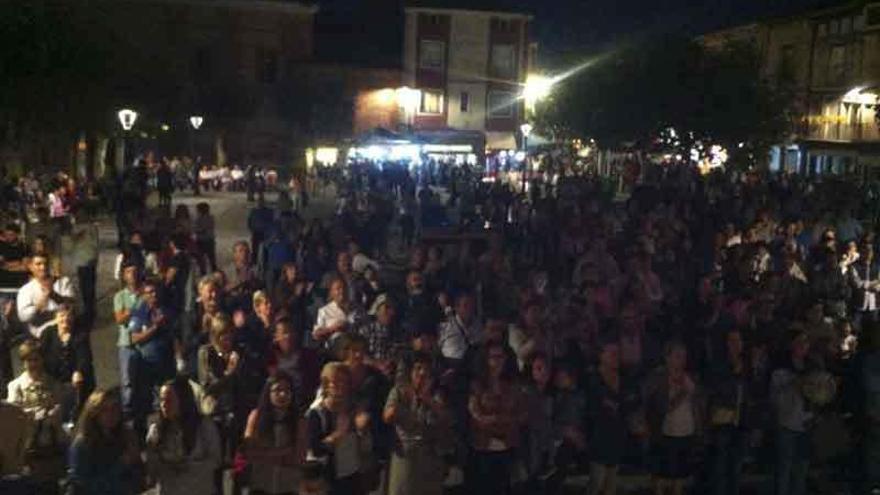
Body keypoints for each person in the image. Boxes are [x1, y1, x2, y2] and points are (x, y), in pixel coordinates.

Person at [384, 352, 451, 495]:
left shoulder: (437, 394)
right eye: (418, 368)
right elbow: (387, 416)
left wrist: (427, 399)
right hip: (405, 458)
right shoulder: (399, 392)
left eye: (426, 370)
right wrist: (401, 407)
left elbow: (445, 419)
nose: (422, 373)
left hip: (430, 459)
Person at [6, 339, 67, 491]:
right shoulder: (16, 386)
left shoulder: (52, 383)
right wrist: (33, 414)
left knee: (51, 485)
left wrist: (56, 412)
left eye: (36, 359)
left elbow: (61, 407)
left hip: (50, 443)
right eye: (29, 360)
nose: (33, 364)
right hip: (28, 447)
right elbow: (13, 416)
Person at [145, 376, 222, 495]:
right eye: (162, 400)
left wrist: (190, 467)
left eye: (169, 400)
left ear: (183, 400)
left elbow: (215, 459)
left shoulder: (203, 426)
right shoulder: (156, 431)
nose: (164, 405)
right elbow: (152, 468)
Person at [466, 340, 525, 495]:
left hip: (506, 448)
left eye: (501, 357)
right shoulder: (476, 385)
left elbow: (519, 415)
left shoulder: (513, 385)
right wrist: (499, 420)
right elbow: (477, 417)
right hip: (482, 448)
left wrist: (497, 419)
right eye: (493, 357)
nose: (497, 361)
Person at [644, 342, 701, 495]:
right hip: (664, 435)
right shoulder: (657, 379)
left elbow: (697, 408)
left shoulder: (691, 378)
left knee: (679, 478)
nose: (681, 360)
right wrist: (683, 393)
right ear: (667, 358)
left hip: (686, 434)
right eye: (677, 356)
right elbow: (661, 408)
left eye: (684, 356)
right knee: (661, 477)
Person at [306, 362, 370, 495]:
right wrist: (338, 434)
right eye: (335, 381)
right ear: (325, 384)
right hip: (326, 479)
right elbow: (315, 449)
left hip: (352, 476)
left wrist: (362, 431)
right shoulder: (317, 412)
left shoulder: (355, 409)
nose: (340, 385)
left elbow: (366, 447)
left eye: (344, 381)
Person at [67, 388, 141, 495]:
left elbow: (137, 476)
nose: (111, 414)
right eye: (105, 409)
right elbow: (84, 484)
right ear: (94, 413)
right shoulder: (83, 444)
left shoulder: (125, 437)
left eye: (114, 408)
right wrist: (121, 465)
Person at [243, 372, 306, 495]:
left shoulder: (300, 421)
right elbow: (249, 452)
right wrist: (282, 452)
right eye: (277, 390)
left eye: (287, 390)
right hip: (260, 485)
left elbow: (298, 458)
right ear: (268, 393)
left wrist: (264, 453)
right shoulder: (256, 416)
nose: (283, 394)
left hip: (288, 487)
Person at [128, 280, 176, 434]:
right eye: (149, 292)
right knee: (144, 402)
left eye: (155, 291)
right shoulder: (139, 311)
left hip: (166, 362)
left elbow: (175, 336)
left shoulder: (166, 311)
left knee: (166, 400)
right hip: (146, 364)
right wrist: (155, 328)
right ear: (143, 294)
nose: (153, 295)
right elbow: (134, 338)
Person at [771, 331, 816, 495]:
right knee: (784, 469)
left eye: (806, 342)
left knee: (801, 469)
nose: (803, 346)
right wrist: (794, 381)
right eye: (799, 342)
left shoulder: (812, 367)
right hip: (787, 423)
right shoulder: (781, 368)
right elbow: (775, 395)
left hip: (806, 423)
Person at [198, 314, 246, 463]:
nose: (228, 340)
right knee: (216, 461)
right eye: (224, 336)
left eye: (230, 335)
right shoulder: (206, 353)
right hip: (214, 410)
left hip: (235, 411)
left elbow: (243, 382)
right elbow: (209, 385)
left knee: (237, 460)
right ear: (215, 336)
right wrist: (229, 373)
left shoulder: (238, 352)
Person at [40, 304, 95, 420]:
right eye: (62, 315)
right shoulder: (48, 333)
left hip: (76, 381)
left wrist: (78, 371)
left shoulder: (80, 334)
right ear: (55, 318)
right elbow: (41, 355)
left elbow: (85, 357)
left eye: (69, 316)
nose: (65, 319)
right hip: (54, 379)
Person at [17, 253, 77, 338]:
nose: (43, 267)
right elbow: (23, 317)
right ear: (30, 267)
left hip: (66, 331)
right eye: (38, 264)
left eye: (46, 264)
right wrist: (41, 302)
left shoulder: (63, 282)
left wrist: (53, 295)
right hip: (41, 335)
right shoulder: (25, 290)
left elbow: (72, 304)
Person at [268, 318, 321, 413]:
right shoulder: (269, 358)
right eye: (284, 333)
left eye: (292, 332)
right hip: (277, 403)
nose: (289, 336)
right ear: (276, 337)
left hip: (303, 403)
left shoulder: (309, 356)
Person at [313, 278, 361, 351]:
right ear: (331, 293)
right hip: (334, 351)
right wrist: (333, 329)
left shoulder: (358, 309)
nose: (342, 291)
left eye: (344, 288)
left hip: (357, 348)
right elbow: (316, 335)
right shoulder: (324, 311)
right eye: (338, 289)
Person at [194, 202, 217, 275]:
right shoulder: (200, 218)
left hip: (205, 239)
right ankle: (204, 271)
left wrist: (200, 230)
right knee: (202, 257)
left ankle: (212, 270)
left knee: (210, 257)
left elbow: (199, 229)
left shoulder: (206, 218)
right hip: (203, 239)